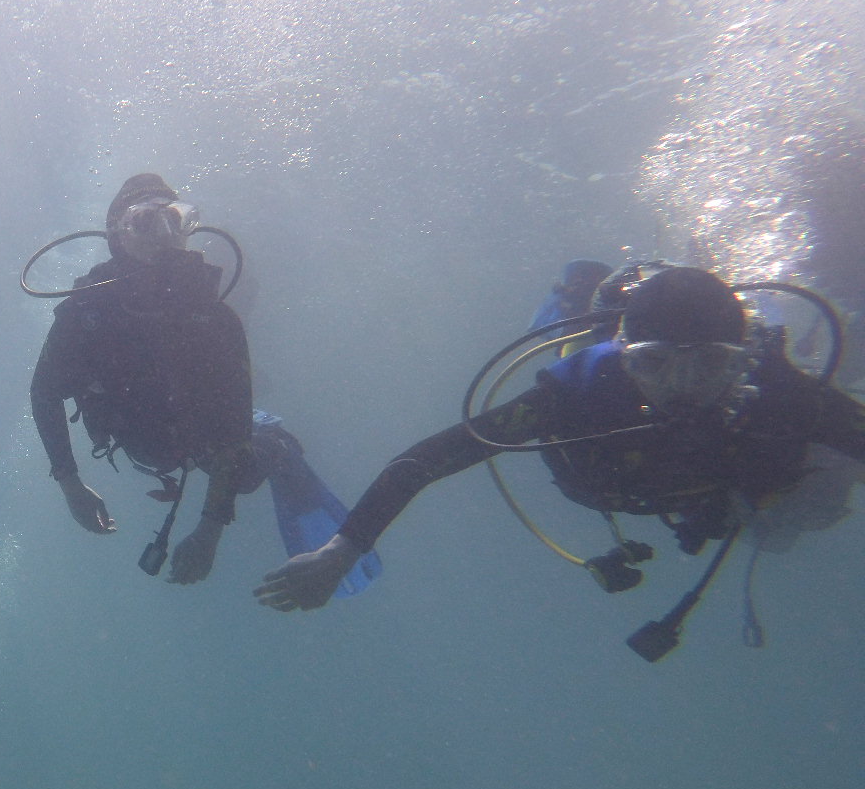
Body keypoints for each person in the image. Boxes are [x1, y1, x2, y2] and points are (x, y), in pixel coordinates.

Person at [257, 265, 865, 635]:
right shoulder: (574, 399)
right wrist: (343, 548)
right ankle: (579, 298)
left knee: (800, 508)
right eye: (654, 364)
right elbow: (428, 459)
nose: (681, 389)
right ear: (625, 356)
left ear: (742, 363)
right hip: (652, 482)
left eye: (709, 366)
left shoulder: (783, 398)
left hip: (723, 482)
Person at [28, 174, 375, 591]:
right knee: (175, 452)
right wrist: (70, 484)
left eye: (175, 220)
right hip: (147, 442)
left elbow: (232, 434)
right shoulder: (84, 316)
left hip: (207, 438)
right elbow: (44, 393)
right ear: (117, 234)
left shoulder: (215, 320)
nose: (163, 234)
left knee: (247, 472)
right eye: (145, 221)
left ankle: (276, 442)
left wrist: (209, 531)